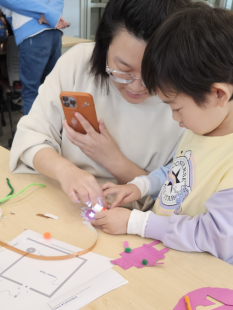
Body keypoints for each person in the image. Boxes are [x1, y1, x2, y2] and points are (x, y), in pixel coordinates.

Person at [92, 2, 233, 267]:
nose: (176, 119)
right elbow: (177, 173)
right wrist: (139, 186)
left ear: (218, 94)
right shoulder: (205, 126)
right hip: (163, 252)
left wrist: (138, 223)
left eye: (176, 108)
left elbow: (217, 238)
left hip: (196, 270)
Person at [9, 0, 189, 209]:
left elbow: (180, 197)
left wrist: (114, 161)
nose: (138, 86)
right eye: (124, 69)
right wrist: (65, 171)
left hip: (134, 223)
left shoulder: (188, 101)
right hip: (62, 202)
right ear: (104, 47)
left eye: (154, 74)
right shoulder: (79, 62)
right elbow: (31, 137)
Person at [0, 0, 69, 114]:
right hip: (54, 32)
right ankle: (52, 130)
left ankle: (34, 131)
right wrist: (51, 16)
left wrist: (46, 15)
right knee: (53, 89)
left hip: (32, 32)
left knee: (31, 92)